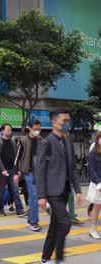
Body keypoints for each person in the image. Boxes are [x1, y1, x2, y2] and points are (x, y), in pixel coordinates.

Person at [34, 109, 83, 264]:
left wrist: (78, 190)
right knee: (65, 223)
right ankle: (59, 258)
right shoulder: (46, 142)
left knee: (55, 225)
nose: (67, 124)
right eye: (64, 121)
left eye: (69, 121)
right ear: (54, 122)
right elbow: (40, 170)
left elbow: (72, 168)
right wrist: (41, 195)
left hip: (64, 190)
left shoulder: (67, 141)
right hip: (52, 191)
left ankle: (45, 258)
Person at [15, 119, 43, 232]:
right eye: (35, 129)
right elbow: (17, 157)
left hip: (40, 172)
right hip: (28, 172)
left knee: (35, 196)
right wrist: (16, 172)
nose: (37, 131)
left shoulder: (41, 140)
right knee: (34, 195)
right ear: (30, 128)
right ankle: (33, 221)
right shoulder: (23, 141)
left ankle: (32, 218)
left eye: (39, 129)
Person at [0, 124, 26, 217]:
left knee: (15, 190)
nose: (9, 131)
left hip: (12, 170)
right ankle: (0, 210)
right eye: (7, 130)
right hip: (3, 171)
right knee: (2, 190)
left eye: (10, 130)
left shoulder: (12, 142)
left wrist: (18, 169)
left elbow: (16, 156)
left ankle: (19, 210)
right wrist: (2, 169)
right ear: (2, 131)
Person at [86, 131, 101, 239]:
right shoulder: (93, 153)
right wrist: (99, 183)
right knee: (96, 208)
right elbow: (92, 170)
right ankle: (92, 229)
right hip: (98, 185)